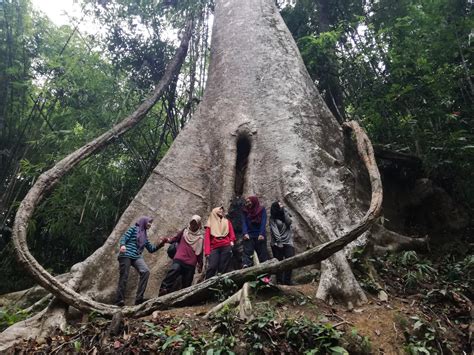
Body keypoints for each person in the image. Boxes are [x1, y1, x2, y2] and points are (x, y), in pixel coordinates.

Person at [115, 216, 163, 306]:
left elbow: (151, 249)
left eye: (151, 223)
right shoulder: (134, 228)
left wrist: (161, 244)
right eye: (149, 222)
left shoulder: (144, 235)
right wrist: (122, 245)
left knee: (145, 271)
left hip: (136, 256)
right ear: (144, 222)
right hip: (126, 254)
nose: (150, 224)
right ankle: (119, 300)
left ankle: (139, 299)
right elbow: (124, 238)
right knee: (124, 277)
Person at [159, 215, 204, 296]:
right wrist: (166, 240)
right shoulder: (185, 231)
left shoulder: (200, 238)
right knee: (173, 272)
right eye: (192, 222)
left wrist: (200, 265)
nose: (193, 225)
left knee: (186, 285)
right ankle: (163, 291)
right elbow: (175, 239)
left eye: (195, 223)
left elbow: (200, 253)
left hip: (191, 263)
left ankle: (183, 302)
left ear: (199, 225)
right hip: (179, 259)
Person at [204, 206, 236, 278]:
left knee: (223, 268)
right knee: (212, 266)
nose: (221, 211)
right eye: (219, 210)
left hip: (226, 245)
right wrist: (207, 252)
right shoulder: (210, 223)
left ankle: (221, 285)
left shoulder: (227, 222)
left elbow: (231, 234)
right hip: (214, 247)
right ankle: (207, 284)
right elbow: (207, 239)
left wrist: (231, 241)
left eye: (222, 210)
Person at [270, 201, 295, 285]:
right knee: (279, 263)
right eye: (280, 205)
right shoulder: (272, 218)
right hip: (277, 243)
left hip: (288, 242)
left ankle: (287, 281)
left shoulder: (285, 213)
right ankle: (279, 281)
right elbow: (275, 231)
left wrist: (284, 211)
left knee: (290, 261)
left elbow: (289, 222)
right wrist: (279, 242)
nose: (282, 205)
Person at [241, 195, 268, 267]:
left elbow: (263, 222)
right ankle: (246, 272)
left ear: (253, 201)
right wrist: (245, 233)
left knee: (263, 255)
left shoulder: (261, 209)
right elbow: (244, 222)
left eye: (249, 202)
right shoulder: (245, 210)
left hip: (260, 235)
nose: (248, 203)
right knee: (247, 255)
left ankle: (265, 277)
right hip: (249, 235)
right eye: (246, 202)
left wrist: (261, 233)